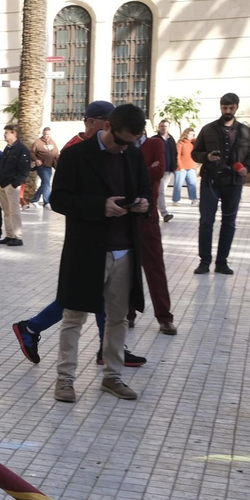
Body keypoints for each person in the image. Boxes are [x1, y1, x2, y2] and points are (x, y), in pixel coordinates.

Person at [49, 104, 151, 402]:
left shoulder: (132, 154)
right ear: (106, 127)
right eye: (120, 141)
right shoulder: (76, 156)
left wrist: (143, 203)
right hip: (87, 250)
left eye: (131, 142)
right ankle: (65, 379)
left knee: (117, 318)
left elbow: (144, 188)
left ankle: (113, 376)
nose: (124, 148)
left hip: (124, 250)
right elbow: (59, 200)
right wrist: (99, 206)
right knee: (74, 316)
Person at [191, 93, 250, 275]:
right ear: (220, 107)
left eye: (231, 108)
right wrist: (206, 157)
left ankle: (222, 262)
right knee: (206, 222)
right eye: (224, 108)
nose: (227, 111)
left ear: (236, 108)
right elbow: (195, 153)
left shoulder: (245, 131)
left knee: (229, 223)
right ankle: (204, 261)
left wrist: (246, 168)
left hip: (234, 183)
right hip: (211, 182)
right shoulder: (208, 129)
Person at [135, 127, 176, 334]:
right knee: (125, 266)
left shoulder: (155, 143)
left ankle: (164, 317)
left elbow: (159, 171)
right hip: (125, 213)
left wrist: (133, 171)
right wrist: (145, 169)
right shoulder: (120, 146)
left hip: (147, 213)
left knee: (154, 266)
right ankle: (128, 313)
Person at [31, 126, 60, 207]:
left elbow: (56, 154)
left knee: (45, 183)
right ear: (43, 134)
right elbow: (31, 152)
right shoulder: (38, 142)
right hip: (42, 166)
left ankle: (34, 200)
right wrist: (36, 160)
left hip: (50, 166)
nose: (47, 136)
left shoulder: (52, 142)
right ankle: (47, 202)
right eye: (46, 134)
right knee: (46, 183)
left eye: (49, 135)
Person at [155, 119, 177, 222]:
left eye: (166, 126)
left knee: (160, 192)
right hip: (159, 169)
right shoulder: (155, 139)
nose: (164, 128)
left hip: (168, 169)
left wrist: (174, 166)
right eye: (162, 126)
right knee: (161, 192)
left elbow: (174, 153)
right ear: (159, 127)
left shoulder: (171, 139)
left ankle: (155, 209)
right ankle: (164, 214)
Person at [173, 126, 199, 205]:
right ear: (186, 134)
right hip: (181, 167)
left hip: (191, 166)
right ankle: (176, 200)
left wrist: (194, 138)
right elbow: (177, 156)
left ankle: (194, 199)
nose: (192, 136)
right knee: (178, 184)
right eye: (190, 134)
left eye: (193, 134)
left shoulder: (193, 143)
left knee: (192, 184)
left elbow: (199, 140)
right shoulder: (180, 143)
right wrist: (180, 167)